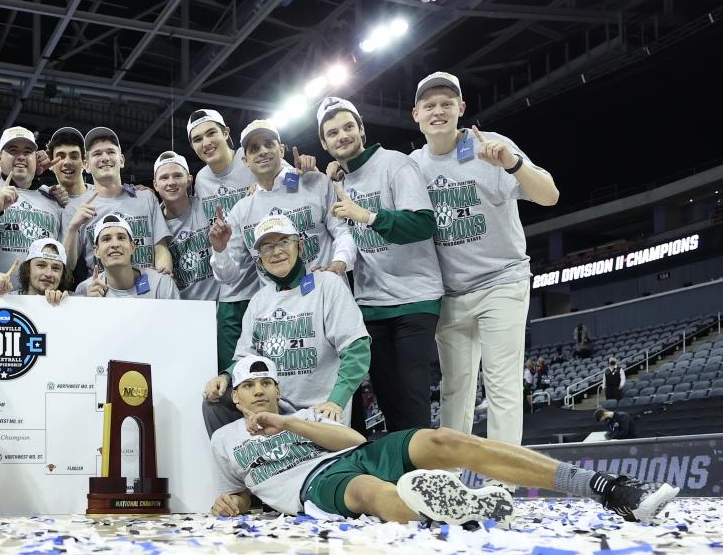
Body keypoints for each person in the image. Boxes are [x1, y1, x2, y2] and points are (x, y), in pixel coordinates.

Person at [210, 355, 678, 524]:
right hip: (313, 485)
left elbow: (351, 438)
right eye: (248, 386)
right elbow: (243, 491)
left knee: (444, 438)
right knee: (371, 493)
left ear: (277, 389)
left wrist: (290, 423)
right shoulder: (225, 438)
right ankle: (467, 508)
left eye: (266, 383)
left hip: (358, 452)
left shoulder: (304, 413)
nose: (258, 391)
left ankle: (605, 488)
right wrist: (235, 502)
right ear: (235, 396)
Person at [410, 72, 559, 446]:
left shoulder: (491, 146)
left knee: (501, 385)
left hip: (501, 281)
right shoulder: (411, 166)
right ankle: (449, 474)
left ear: (461, 108)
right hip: (449, 293)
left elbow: (549, 196)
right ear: (416, 114)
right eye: (430, 105)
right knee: (454, 389)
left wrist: (513, 164)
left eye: (446, 104)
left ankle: (502, 477)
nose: (438, 111)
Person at [319, 96, 443, 433]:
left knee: (412, 399)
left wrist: (368, 216)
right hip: (371, 304)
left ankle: (422, 464)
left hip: (414, 298)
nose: (342, 135)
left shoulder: (395, 164)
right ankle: (399, 465)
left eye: (348, 127)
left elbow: (423, 224)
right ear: (324, 144)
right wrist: (338, 264)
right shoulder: (339, 181)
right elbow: (346, 238)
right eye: (333, 133)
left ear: (362, 128)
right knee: (389, 401)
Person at [202, 214, 369, 435]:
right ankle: (241, 455)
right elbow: (246, 359)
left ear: (300, 247)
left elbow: (357, 349)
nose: (276, 252)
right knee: (215, 403)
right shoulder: (259, 301)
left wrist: (336, 401)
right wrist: (224, 377)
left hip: (320, 410)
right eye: (267, 247)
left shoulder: (328, 285)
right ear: (260, 259)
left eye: (283, 242)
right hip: (273, 410)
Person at [208, 120, 356, 352]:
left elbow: (343, 231)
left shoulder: (314, 182)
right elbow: (229, 276)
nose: (263, 151)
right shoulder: (241, 210)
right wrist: (220, 250)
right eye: (254, 148)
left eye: (269, 144)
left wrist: (340, 263)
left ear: (282, 150)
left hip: (326, 302)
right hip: (280, 316)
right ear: (245, 161)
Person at [188, 109, 294, 373]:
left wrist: (317, 170)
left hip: (268, 284)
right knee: (233, 374)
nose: (206, 143)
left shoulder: (252, 156)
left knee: (274, 369)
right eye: (198, 139)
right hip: (231, 289)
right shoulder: (201, 179)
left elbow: (294, 180)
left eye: (211, 133)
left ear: (226, 133)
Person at [63, 127, 172, 282]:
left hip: (147, 289)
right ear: (86, 165)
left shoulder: (146, 197)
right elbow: (67, 266)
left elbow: (160, 247)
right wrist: (73, 228)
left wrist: (163, 280)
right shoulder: (75, 208)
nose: (105, 158)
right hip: (103, 292)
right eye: (97, 154)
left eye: (111, 152)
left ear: (121, 160)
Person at [0, 126, 65, 277]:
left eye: (27, 152)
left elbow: (62, 255)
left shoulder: (53, 199)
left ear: (35, 158)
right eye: (13, 150)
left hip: (43, 291)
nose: (21, 157)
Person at [152, 151, 218, 302]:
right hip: (179, 308)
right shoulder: (153, 224)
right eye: (164, 178)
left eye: (177, 176)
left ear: (189, 180)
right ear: (155, 185)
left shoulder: (208, 207)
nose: (171, 182)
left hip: (218, 305)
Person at [77, 214, 179, 300]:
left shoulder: (161, 284)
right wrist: (90, 306)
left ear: (132, 246)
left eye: (121, 238)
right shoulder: (86, 290)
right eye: (106, 239)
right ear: (96, 251)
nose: (115, 244)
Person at [16, 238, 72, 305]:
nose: (48, 274)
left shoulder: (73, 302)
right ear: (27, 269)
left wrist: (67, 304)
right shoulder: (9, 300)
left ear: (63, 275)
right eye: (41, 265)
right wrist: (3, 296)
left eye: (55, 268)